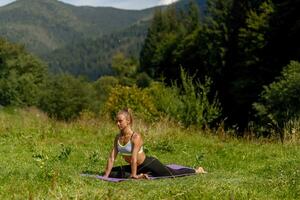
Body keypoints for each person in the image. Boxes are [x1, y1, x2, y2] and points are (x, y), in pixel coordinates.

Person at [103, 108, 206, 179]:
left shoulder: (135, 137)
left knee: (172, 174)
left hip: (148, 163)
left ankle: (197, 171)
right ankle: (142, 175)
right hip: (135, 167)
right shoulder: (118, 137)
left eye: (120, 121)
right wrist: (106, 176)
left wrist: (133, 176)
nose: (117, 123)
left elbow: (134, 159)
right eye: (116, 121)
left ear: (128, 121)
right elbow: (112, 158)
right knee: (112, 172)